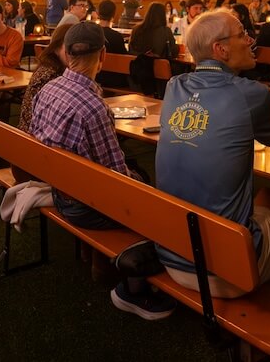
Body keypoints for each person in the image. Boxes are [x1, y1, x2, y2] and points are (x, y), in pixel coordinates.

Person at [30, 22, 176, 320]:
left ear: (66, 52)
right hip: (86, 205)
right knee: (157, 197)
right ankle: (133, 290)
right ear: (103, 55)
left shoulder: (48, 89)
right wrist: (147, 190)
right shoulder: (94, 107)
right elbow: (118, 180)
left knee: (138, 177)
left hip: (61, 191)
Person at [155, 9, 270, 297]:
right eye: (242, 34)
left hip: (170, 253)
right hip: (224, 270)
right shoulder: (252, 94)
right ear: (220, 49)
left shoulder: (174, 86)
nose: (251, 40)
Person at [18, 24, 71, 132]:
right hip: (34, 137)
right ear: (56, 47)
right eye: (70, 48)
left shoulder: (47, 67)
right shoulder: (51, 75)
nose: (74, 53)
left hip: (27, 134)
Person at [94, 0, 129, 89]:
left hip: (95, 76)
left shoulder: (92, 32)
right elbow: (124, 58)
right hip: (114, 79)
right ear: (113, 14)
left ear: (98, 13)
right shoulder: (117, 37)